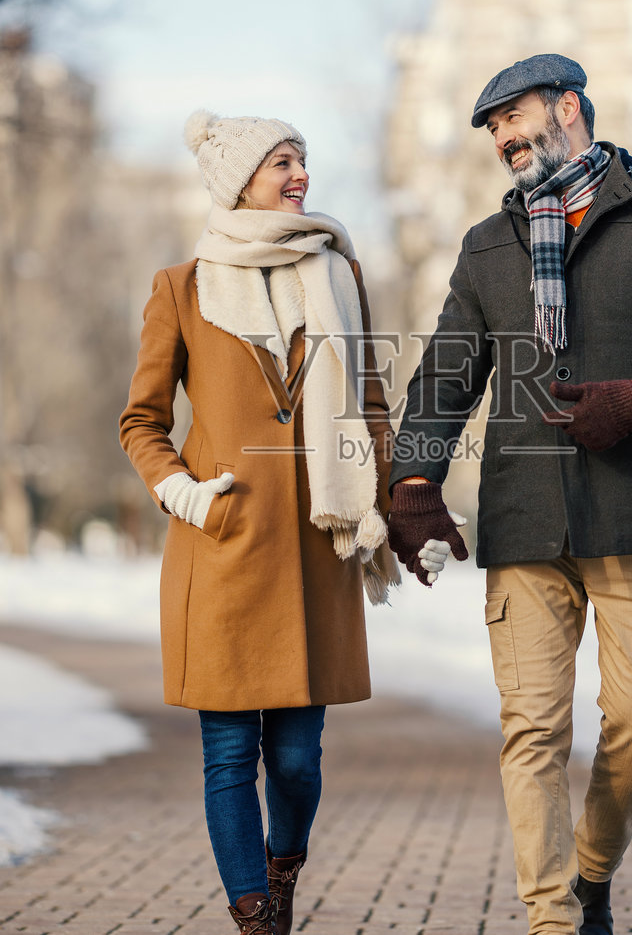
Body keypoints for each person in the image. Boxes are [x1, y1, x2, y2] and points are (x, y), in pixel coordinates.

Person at [387, 55, 632, 935]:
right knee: (532, 732)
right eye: (492, 129)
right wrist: (413, 479)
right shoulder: (489, 244)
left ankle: (590, 871)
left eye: (513, 117)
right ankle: (553, 920)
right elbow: (447, 373)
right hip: (524, 519)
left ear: (567, 108)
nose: (503, 139)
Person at [119, 110, 399, 935]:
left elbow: (369, 403)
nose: (299, 173)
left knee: (299, 761)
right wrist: (180, 490)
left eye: (302, 158)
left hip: (315, 549)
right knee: (230, 755)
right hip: (226, 550)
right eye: (282, 161)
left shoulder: (339, 275)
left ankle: (283, 865)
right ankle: (255, 913)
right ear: (240, 180)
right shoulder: (181, 287)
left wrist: (395, 501)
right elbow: (141, 420)